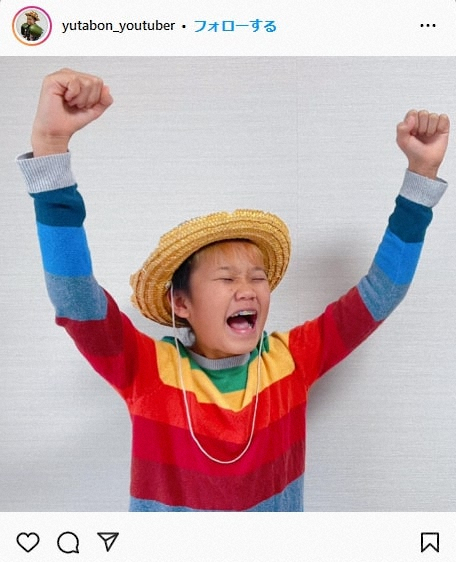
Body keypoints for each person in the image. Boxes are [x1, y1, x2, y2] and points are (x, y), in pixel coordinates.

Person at [17, 68, 450, 511]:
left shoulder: (291, 360)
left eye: (258, 277)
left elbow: (382, 291)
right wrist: (51, 146)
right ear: (180, 303)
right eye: (226, 278)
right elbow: (75, 298)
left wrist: (420, 176)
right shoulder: (147, 371)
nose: (247, 289)